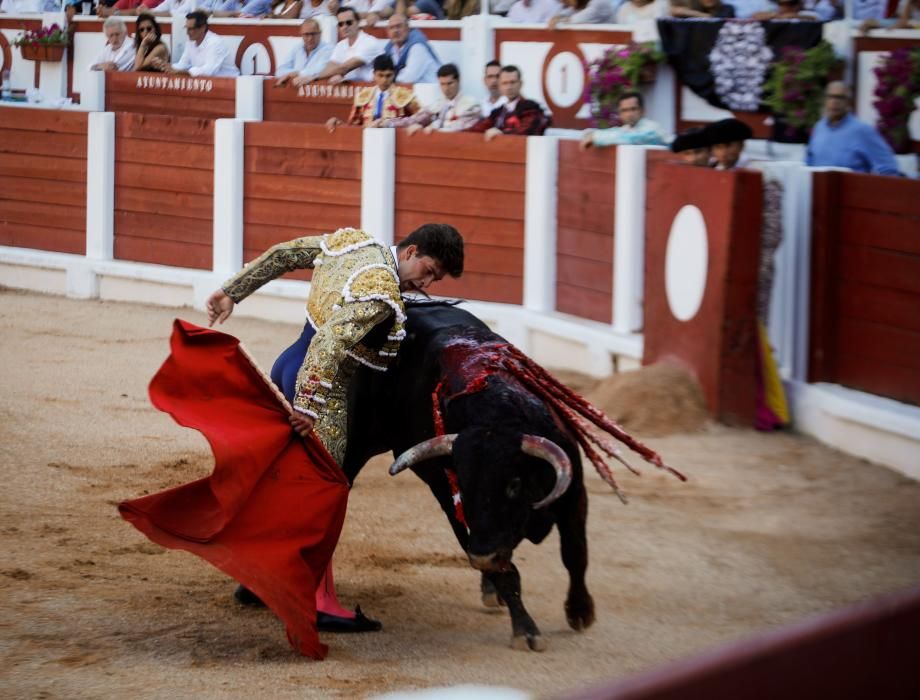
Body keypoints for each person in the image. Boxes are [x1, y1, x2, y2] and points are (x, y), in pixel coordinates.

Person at [206, 223, 465, 632]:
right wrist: (310, 406)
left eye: (435, 279)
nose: (428, 283)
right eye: (429, 271)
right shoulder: (380, 293)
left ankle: (257, 580)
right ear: (411, 250)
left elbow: (283, 252)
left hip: (287, 365)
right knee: (324, 492)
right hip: (322, 391)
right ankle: (318, 601)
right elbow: (328, 344)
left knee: (286, 483)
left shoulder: (353, 244)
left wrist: (231, 291)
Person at [805, 82, 900, 176]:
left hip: (851, 189)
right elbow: (808, 163)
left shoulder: (862, 130)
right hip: (819, 188)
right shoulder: (819, 128)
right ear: (825, 100)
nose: (835, 102)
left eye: (840, 98)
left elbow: (888, 168)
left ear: (849, 101)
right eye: (831, 97)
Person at [326, 53, 419, 131]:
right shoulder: (363, 95)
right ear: (374, 75)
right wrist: (340, 123)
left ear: (394, 74)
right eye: (380, 75)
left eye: (388, 75)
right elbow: (354, 126)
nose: (384, 80)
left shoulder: (405, 95)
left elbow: (420, 119)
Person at [301, 6, 383, 85]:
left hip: (373, 90)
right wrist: (337, 74)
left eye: (349, 23)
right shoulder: (340, 45)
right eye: (341, 24)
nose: (344, 27)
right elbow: (330, 67)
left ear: (358, 22)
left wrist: (315, 77)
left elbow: (345, 67)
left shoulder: (370, 42)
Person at [390, 63, 482, 133]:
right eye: (442, 84)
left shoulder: (471, 104)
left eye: (450, 83)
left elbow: (459, 127)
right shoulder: (438, 104)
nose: (446, 88)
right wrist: (388, 123)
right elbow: (415, 119)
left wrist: (430, 128)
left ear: (458, 81)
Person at [468, 65, 550, 140]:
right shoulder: (498, 112)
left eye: (513, 82)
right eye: (505, 83)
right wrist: (457, 132)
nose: (509, 87)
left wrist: (503, 133)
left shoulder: (531, 107)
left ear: (520, 84)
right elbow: (478, 128)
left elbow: (527, 130)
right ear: (499, 86)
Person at [152, 11, 240, 77]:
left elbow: (209, 70)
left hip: (232, 86)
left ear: (203, 28)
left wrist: (185, 72)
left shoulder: (215, 43)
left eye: (191, 29)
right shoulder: (190, 41)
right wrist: (164, 65)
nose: (187, 32)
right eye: (187, 28)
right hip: (211, 85)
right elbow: (182, 64)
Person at [580, 91, 667, 148]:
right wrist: (591, 133)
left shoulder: (652, 128)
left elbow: (631, 138)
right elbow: (618, 132)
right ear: (620, 114)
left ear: (642, 111)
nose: (629, 114)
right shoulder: (627, 128)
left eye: (633, 109)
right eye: (624, 110)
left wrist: (596, 137)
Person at [383, 14, 440, 84]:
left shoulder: (418, 47)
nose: (395, 31)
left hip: (431, 91)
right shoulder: (390, 48)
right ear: (388, 32)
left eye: (399, 26)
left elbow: (408, 78)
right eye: (391, 28)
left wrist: (385, 80)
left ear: (408, 28)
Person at [275, 18, 333, 87]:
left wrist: (296, 73)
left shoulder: (328, 49)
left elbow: (321, 69)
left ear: (320, 33)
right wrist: (293, 74)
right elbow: (279, 71)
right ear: (301, 34)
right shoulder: (297, 48)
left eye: (313, 34)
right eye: (306, 34)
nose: (310, 38)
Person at [548, 0, 615, 27]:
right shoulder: (579, 5)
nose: (563, 2)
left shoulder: (599, 2)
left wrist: (558, 20)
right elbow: (564, 14)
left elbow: (576, 20)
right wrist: (556, 17)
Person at [669, 0, 735, 18]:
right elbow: (675, 12)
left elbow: (716, 20)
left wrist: (694, 14)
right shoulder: (696, 9)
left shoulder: (727, 8)